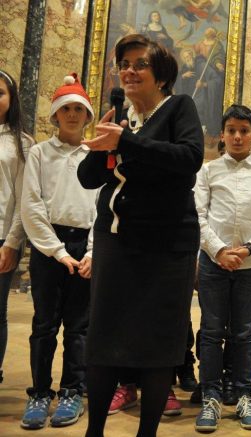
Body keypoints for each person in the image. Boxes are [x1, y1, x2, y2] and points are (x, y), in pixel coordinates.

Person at [78, 34, 204, 437]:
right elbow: (88, 178)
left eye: (139, 64)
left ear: (161, 75)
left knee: (157, 344)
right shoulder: (121, 116)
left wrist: (126, 141)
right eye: (124, 64)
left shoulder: (178, 108)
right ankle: (94, 431)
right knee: (104, 339)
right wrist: (104, 143)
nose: (129, 71)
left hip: (167, 247)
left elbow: (190, 158)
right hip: (115, 242)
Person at [194, 104, 251, 432]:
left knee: (244, 332)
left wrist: (247, 248)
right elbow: (198, 216)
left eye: (244, 131)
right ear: (222, 135)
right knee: (212, 331)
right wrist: (219, 250)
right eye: (231, 130)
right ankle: (211, 397)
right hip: (214, 262)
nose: (238, 136)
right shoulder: (208, 171)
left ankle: (244, 395)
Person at [20, 73, 98, 429]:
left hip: (84, 247)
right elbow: (32, 205)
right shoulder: (39, 153)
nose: (72, 115)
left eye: (78, 109)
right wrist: (57, 251)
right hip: (49, 248)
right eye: (65, 109)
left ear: (87, 116)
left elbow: (102, 208)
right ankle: (39, 392)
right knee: (44, 325)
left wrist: (91, 252)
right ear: (55, 114)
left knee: (79, 327)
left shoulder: (95, 156)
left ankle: (72, 391)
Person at [0, 69, 32, 386]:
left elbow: (23, 200)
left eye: (0, 93)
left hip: (1, 237)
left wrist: (11, 243)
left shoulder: (21, 143)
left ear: (11, 99)